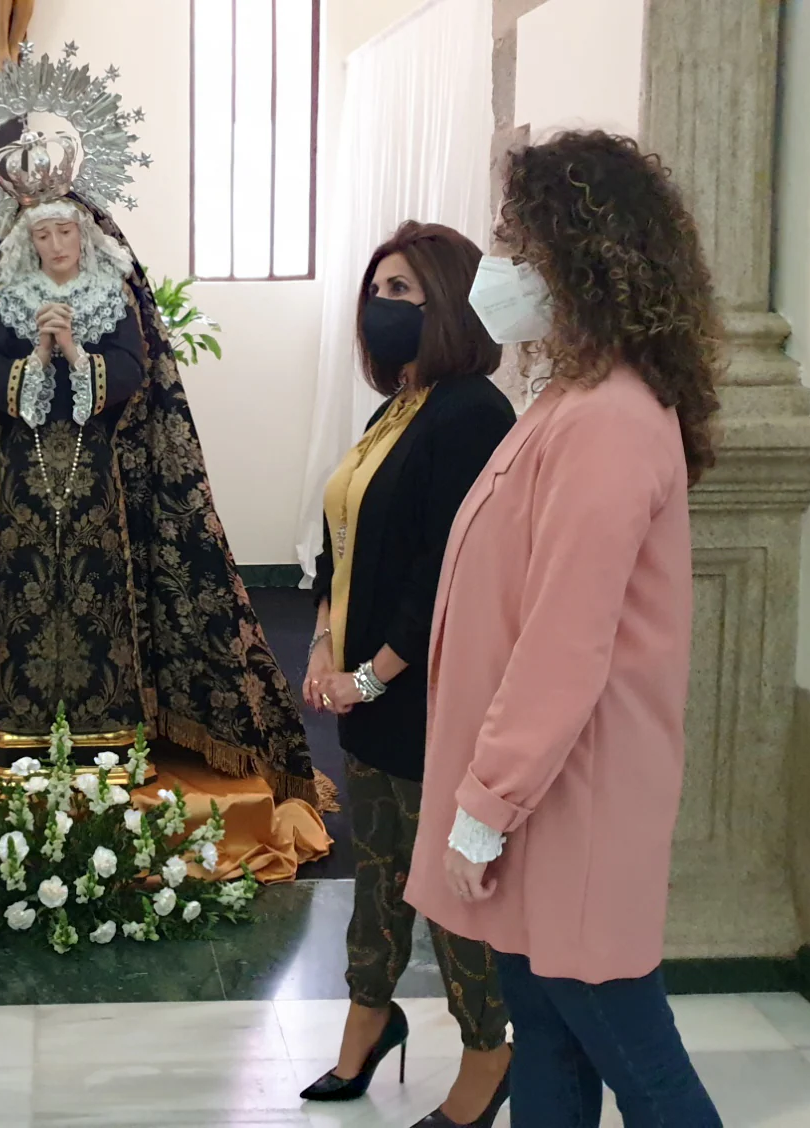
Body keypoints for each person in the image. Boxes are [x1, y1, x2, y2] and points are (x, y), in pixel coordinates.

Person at [0, 120, 315, 801]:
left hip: (100, 480)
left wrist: (77, 358)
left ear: (83, 236)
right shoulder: (8, 301)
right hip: (21, 479)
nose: (55, 245)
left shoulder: (110, 297)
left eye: (65, 233)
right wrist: (33, 356)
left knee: (100, 596)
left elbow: (132, 371)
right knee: (21, 592)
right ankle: (9, 731)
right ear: (27, 242)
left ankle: (111, 731)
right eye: (42, 235)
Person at [409, 129, 725, 1127]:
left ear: (578, 263)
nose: (493, 266)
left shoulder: (608, 420)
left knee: (643, 1066)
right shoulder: (566, 402)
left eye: (514, 245)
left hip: (570, 803)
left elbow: (562, 642)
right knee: (543, 1040)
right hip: (543, 805)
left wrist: (483, 805)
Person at [298, 222, 516, 1126]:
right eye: (375, 290)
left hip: (429, 697)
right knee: (378, 870)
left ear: (450, 303)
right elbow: (342, 540)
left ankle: (488, 1052)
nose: (380, 307)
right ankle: (369, 1018)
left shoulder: (473, 413)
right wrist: (320, 646)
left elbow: (444, 571)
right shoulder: (399, 406)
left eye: (402, 292)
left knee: (447, 888)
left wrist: (375, 676)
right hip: (367, 691)